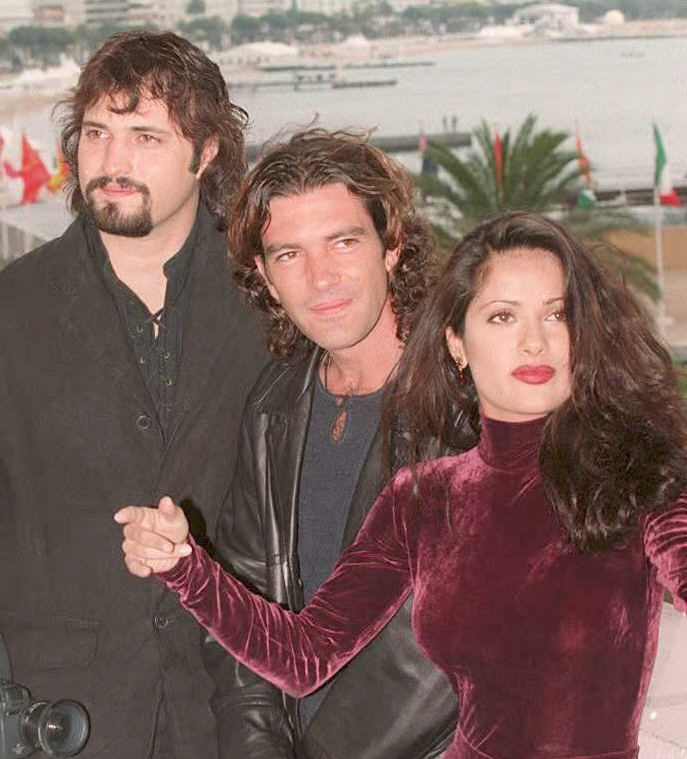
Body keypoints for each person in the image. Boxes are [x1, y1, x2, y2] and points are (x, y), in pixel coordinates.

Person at [116, 212, 687, 759]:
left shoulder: (642, 476)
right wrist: (185, 567)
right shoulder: (424, 498)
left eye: (557, 315)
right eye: (502, 317)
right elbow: (302, 656)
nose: (535, 342)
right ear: (457, 343)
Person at [0, 31, 266, 759]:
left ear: (206, 151)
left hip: (233, 711)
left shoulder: (267, 299)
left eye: (145, 136)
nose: (112, 163)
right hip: (56, 719)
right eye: (96, 133)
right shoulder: (11, 308)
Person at [200, 129, 457, 758]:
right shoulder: (274, 404)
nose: (321, 278)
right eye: (289, 254)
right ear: (263, 272)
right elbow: (240, 616)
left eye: (343, 242)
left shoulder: (469, 405)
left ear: (391, 245)